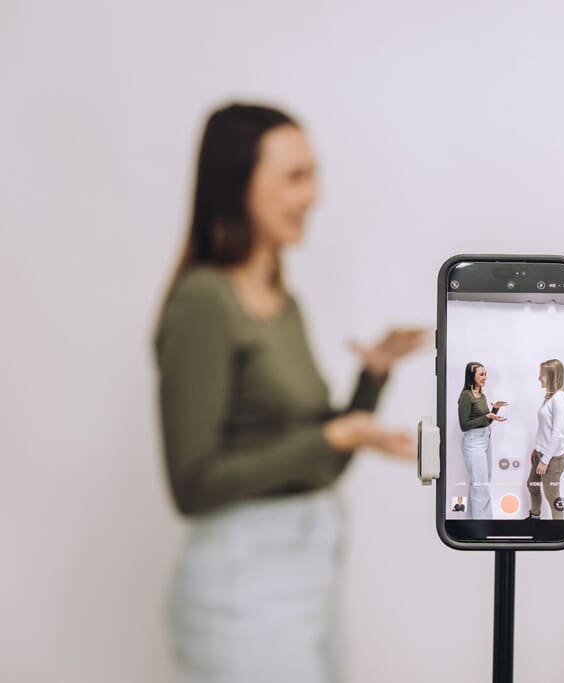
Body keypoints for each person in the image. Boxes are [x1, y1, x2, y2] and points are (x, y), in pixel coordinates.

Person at [154, 102, 426, 682]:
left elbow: (312, 461)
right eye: (296, 176)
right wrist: (336, 433)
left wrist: (371, 379)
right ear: (237, 185)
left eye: (315, 174)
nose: (315, 195)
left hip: (310, 582)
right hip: (244, 593)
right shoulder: (205, 302)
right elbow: (192, 484)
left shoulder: (284, 302)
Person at [457, 362, 507, 519]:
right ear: (472, 376)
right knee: (480, 485)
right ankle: (484, 525)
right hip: (473, 443)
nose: (485, 377)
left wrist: (494, 411)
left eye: (486, 374)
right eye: (481, 374)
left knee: (481, 481)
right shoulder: (466, 396)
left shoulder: (483, 395)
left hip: (485, 440)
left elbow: (485, 422)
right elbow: (464, 426)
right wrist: (486, 416)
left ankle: (473, 522)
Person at [527, 359, 564, 520]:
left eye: (542, 375)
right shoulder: (550, 396)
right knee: (532, 485)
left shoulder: (560, 399)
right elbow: (544, 428)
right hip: (541, 453)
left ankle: (558, 531)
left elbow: (557, 434)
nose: (539, 378)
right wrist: (537, 449)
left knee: (553, 498)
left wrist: (545, 460)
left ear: (552, 376)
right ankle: (535, 518)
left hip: (553, 459)